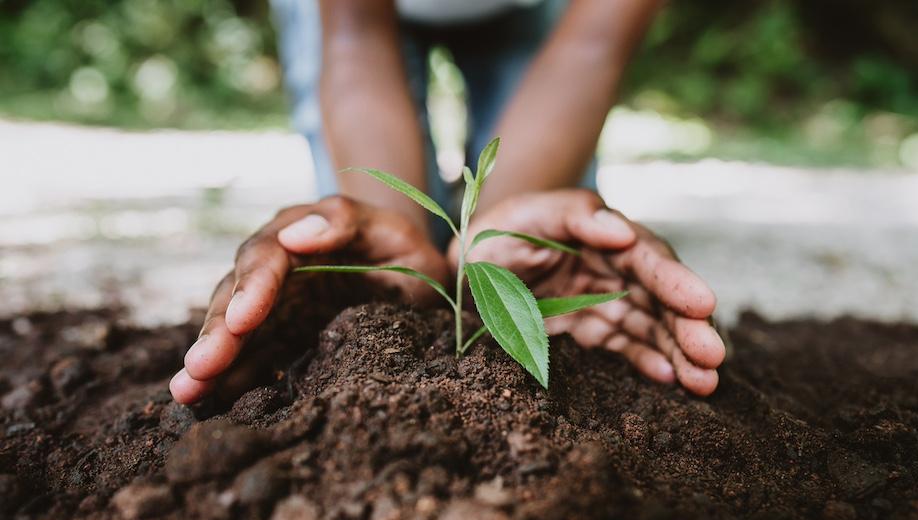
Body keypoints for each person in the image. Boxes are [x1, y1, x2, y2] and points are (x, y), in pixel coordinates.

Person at [169, 0, 726, 404]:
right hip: (354, 19)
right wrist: (394, 245)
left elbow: (593, 43)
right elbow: (354, 34)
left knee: (546, 215)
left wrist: (495, 244)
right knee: (374, 232)